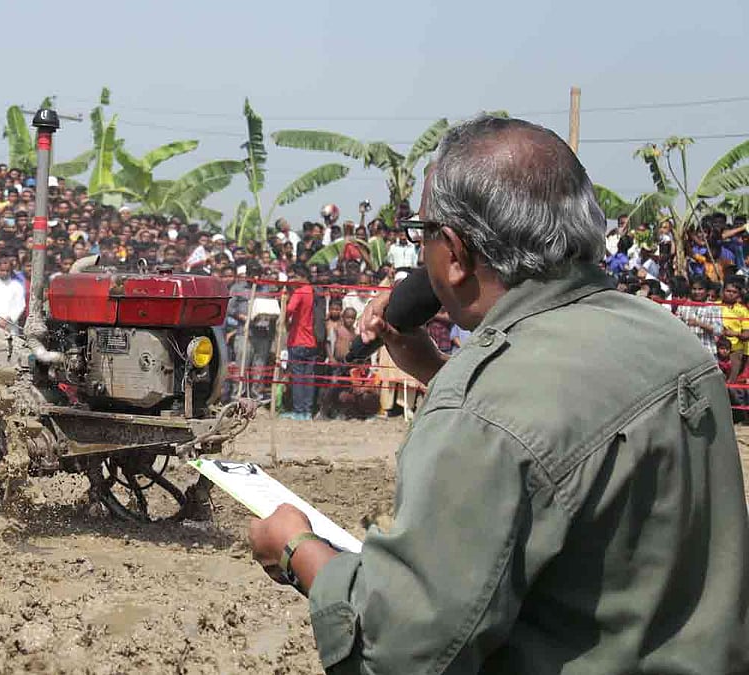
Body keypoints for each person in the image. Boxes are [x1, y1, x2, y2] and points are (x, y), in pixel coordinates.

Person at [248, 116, 748, 673]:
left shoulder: (484, 410)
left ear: (455, 254)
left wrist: (296, 549)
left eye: (423, 233)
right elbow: (563, 455)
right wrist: (439, 371)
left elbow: (397, 652)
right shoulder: (670, 340)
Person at [282, 266, 317, 420]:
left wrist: (285, 321)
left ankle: (299, 411)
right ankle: (307, 411)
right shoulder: (314, 292)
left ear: (301, 277)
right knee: (308, 377)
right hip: (311, 340)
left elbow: (289, 309)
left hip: (298, 339)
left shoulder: (300, 291)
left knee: (298, 377)